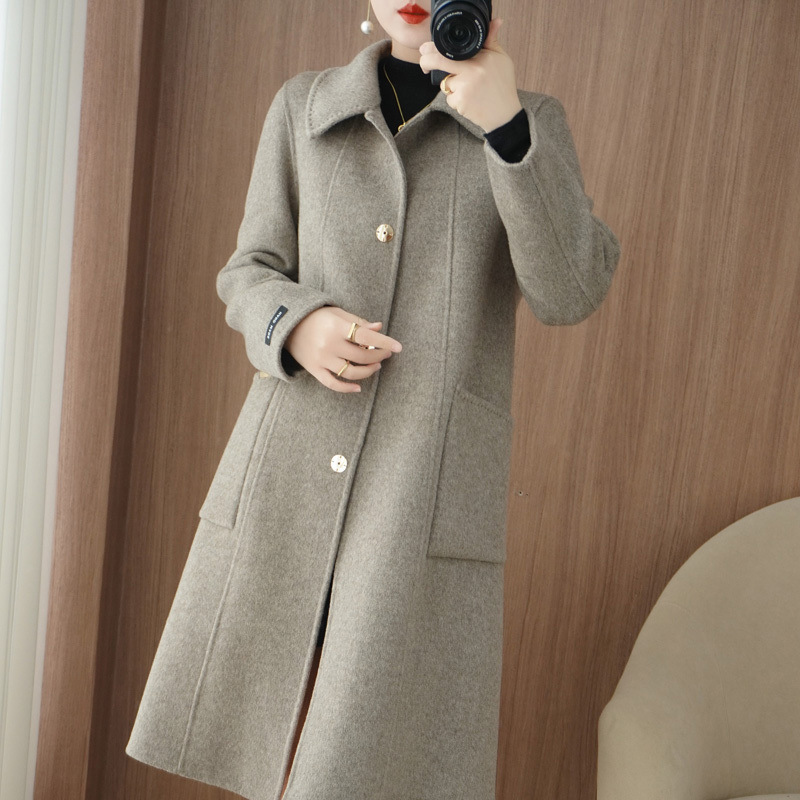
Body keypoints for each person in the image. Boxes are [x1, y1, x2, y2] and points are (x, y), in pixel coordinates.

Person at [125, 2, 621, 799]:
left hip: (416, 493)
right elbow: (249, 270)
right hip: (291, 471)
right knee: (268, 736)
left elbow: (569, 291)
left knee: (360, 759)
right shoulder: (303, 105)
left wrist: (507, 130)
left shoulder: (529, 121)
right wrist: (296, 325)